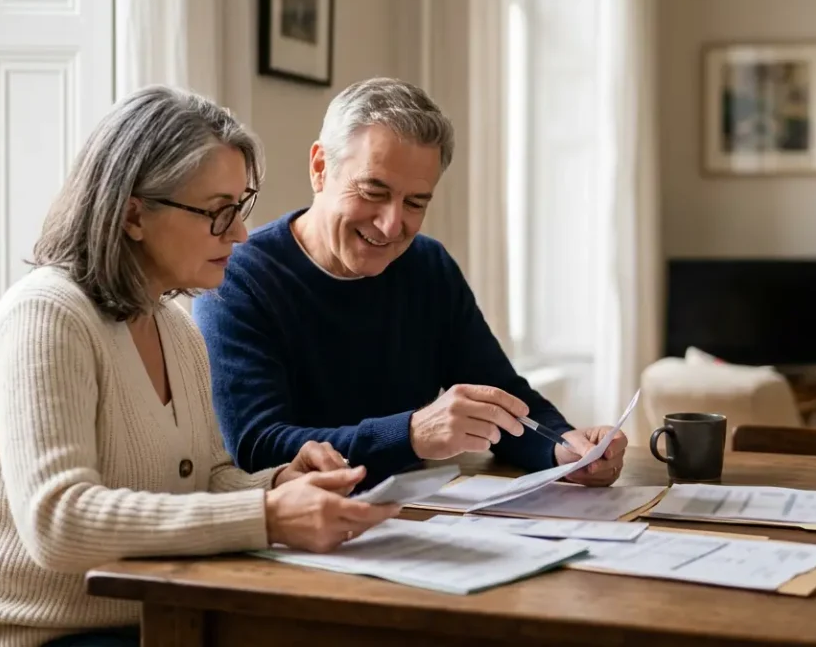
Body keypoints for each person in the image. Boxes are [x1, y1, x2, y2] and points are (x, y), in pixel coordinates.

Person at [0, 86, 400, 647]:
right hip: (29, 635)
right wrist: (268, 517)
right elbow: (58, 522)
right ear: (133, 215)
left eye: (240, 207)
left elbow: (207, 478)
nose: (241, 234)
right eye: (219, 212)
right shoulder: (46, 317)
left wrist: (280, 481)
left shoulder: (174, 325)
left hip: (147, 621)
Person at [192, 77, 627, 492]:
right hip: (296, 537)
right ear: (321, 168)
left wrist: (567, 449)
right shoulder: (238, 278)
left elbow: (500, 398)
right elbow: (257, 446)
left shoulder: (427, 265)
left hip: (416, 519)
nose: (391, 224)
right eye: (373, 192)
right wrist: (412, 434)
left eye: (415, 202)